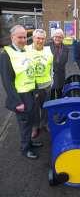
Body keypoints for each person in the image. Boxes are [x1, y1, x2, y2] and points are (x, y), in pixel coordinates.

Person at [0, 25, 43, 159]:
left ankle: (30, 142)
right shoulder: (6, 54)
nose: (23, 39)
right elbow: (7, 81)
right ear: (12, 37)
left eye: (25, 37)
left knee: (30, 120)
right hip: (20, 96)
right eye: (20, 37)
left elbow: (31, 72)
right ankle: (25, 149)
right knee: (24, 124)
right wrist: (17, 101)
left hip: (30, 93)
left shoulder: (24, 51)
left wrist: (35, 90)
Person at [26, 29, 53, 138]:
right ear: (33, 38)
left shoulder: (48, 50)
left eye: (42, 38)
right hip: (32, 86)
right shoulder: (26, 50)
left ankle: (45, 123)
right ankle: (35, 127)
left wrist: (52, 80)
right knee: (34, 108)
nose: (40, 40)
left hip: (46, 85)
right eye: (38, 38)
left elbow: (51, 67)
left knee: (46, 107)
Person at [49, 28, 69, 99]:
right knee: (50, 97)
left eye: (59, 37)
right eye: (56, 36)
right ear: (53, 37)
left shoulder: (66, 49)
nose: (57, 38)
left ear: (62, 38)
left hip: (61, 77)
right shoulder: (47, 47)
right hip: (50, 77)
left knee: (60, 97)